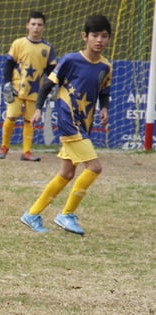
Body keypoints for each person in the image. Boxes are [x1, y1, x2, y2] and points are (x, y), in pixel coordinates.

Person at [20, 15, 112, 236]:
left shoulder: (106, 66)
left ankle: (32, 214)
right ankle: (66, 214)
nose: (99, 40)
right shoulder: (71, 60)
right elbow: (47, 85)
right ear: (85, 37)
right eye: (95, 35)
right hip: (68, 121)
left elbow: (104, 91)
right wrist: (39, 109)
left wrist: (104, 108)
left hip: (85, 122)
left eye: (104, 36)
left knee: (67, 172)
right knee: (95, 167)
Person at [0, 11, 57, 162]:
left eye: (39, 25)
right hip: (17, 88)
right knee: (11, 117)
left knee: (30, 121)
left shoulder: (48, 48)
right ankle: (4, 147)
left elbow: (51, 70)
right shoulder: (18, 43)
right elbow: (9, 64)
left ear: (44, 27)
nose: (36, 27)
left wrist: (53, 86)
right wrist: (6, 82)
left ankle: (26, 152)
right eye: (33, 24)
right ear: (27, 25)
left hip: (36, 90)